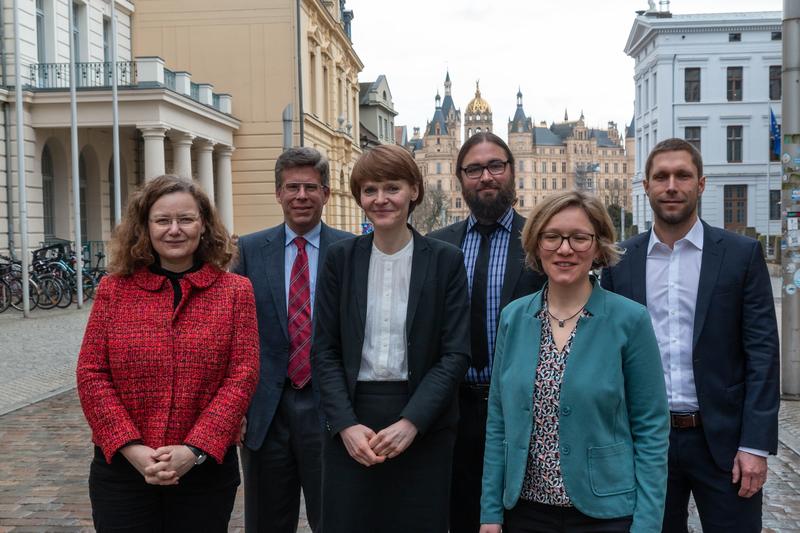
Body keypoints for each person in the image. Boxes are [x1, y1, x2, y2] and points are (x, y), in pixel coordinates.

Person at [601, 138, 780, 532]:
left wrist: (755, 445)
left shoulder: (740, 254)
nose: (671, 185)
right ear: (645, 186)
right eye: (660, 177)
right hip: (647, 443)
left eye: (682, 175)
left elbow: (763, 354)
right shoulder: (620, 262)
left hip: (724, 443)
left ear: (701, 184)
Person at [76, 174, 260, 532]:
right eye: (162, 220)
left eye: (186, 219)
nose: (174, 230)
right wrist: (132, 448)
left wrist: (193, 450)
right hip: (123, 471)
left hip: (204, 472)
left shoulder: (235, 292)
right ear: (145, 227)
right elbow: (91, 374)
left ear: (203, 225)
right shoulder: (113, 290)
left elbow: (242, 376)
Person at [480, 190, 670, 533]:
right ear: (537, 245)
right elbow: (498, 422)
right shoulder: (513, 318)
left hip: (606, 513)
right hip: (525, 513)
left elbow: (651, 429)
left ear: (597, 247)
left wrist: (647, 525)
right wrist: (490, 513)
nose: (565, 249)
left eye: (579, 238)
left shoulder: (630, 320)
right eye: (552, 237)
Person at [312, 144, 471, 533]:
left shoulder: (445, 260)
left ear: (414, 190)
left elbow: (454, 354)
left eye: (391, 188)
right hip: (353, 420)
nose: (380, 199)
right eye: (369, 190)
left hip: (422, 423)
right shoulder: (339, 259)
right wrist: (345, 426)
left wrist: (412, 422)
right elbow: (324, 351)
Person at [428, 131, 545, 533]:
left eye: (496, 166)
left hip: (523, 408)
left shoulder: (542, 242)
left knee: (523, 517)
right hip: (455, 409)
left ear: (512, 171)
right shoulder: (437, 246)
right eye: (474, 169)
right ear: (461, 178)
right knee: (461, 514)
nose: (486, 177)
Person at [235, 147, 351, 533]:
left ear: (326, 194)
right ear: (278, 194)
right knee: (267, 522)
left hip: (329, 408)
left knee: (334, 518)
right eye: (292, 187)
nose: (301, 196)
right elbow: (237, 331)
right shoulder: (249, 251)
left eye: (310, 187)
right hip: (266, 411)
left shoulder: (351, 251)